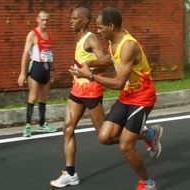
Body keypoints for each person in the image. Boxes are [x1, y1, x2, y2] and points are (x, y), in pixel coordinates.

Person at [69, 7, 163, 190]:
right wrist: (87, 64)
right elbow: (108, 60)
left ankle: (147, 182)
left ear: (110, 26)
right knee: (104, 137)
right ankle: (149, 134)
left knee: (126, 146)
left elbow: (119, 82)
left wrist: (90, 76)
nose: (97, 31)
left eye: (100, 27)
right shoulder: (113, 40)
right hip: (127, 96)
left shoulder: (128, 45)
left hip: (142, 98)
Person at [50, 7, 106, 188]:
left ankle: (147, 134)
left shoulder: (91, 38)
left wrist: (86, 68)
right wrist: (78, 72)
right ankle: (71, 173)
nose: (71, 21)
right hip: (77, 90)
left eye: (75, 18)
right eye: (71, 18)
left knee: (105, 136)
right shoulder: (80, 38)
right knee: (67, 128)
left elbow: (105, 61)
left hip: (91, 91)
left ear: (85, 21)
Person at [17, 10, 57, 137]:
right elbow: (25, 54)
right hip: (35, 68)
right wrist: (22, 73)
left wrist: (52, 71)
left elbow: (50, 54)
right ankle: (28, 126)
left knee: (44, 97)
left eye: (47, 20)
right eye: (43, 19)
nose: (45, 22)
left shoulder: (49, 35)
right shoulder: (32, 35)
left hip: (46, 68)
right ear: (37, 19)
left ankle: (42, 124)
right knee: (33, 96)